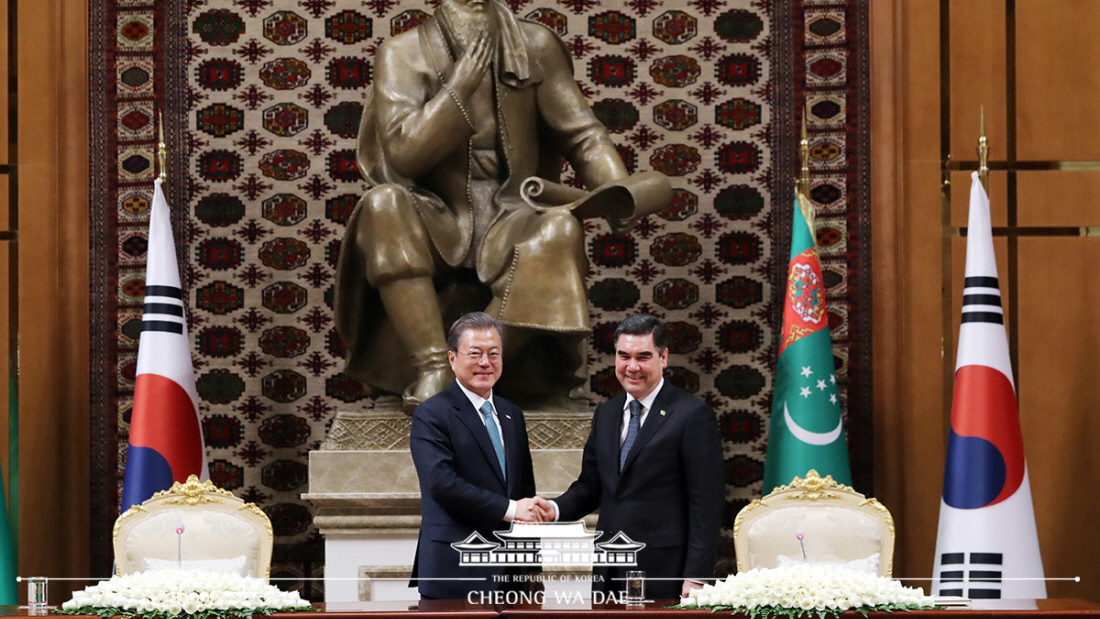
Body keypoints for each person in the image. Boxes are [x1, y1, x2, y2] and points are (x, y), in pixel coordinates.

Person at [334, 0, 669, 412]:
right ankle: (435, 366)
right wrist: (458, 91)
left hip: (513, 212)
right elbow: (404, 155)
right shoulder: (402, 52)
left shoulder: (535, 44)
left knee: (560, 230)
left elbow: (583, 136)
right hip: (437, 214)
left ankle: (476, 370)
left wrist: (619, 190)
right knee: (383, 203)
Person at [536, 314, 725, 600]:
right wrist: (554, 509)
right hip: (609, 565)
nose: (632, 367)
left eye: (643, 357)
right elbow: (591, 485)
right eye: (624, 356)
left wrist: (697, 576)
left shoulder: (692, 416)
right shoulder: (606, 414)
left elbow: (706, 504)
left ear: (663, 357)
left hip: (663, 568)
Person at [409, 312, 544, 599]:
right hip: (455, 567)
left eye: (494, 354)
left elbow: (523, 490)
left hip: (511, 573)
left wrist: (532, 567)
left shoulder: (511, 415)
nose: (485, 362)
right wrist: (510, 509)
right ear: (452, 359)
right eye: (475, 353)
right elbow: (441, 482)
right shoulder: (432, 413)